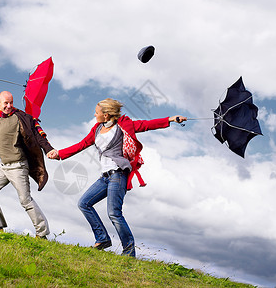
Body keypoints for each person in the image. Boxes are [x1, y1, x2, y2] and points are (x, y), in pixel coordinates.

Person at [47, 98, 187, 256]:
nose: (94, 114)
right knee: (84, 203)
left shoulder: (124, 125)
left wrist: (170, 119)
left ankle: (129, 252)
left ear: (106, 115)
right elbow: (81, 145)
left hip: (118, 174)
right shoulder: (97, 129)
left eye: (97, 112)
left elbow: (147, 125)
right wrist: (59, 154)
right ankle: (103, 238)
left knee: (114, 213)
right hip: (104, 177)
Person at [0, 74, 56, 238]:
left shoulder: (22, 118)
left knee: (25, 201)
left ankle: (42, 233)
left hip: (18, 166)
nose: (9, 106)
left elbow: (38, 134)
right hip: (3, 166)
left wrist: (49, 149)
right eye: (6, 103)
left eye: (11, 102)